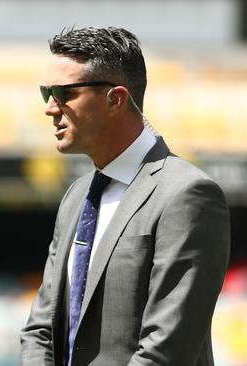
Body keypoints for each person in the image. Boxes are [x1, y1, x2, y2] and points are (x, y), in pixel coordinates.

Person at [20, 27, 230, 366]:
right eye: (47, 93)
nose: (50, 108)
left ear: (115, 99)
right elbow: (41, 329)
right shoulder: (76, 196)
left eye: (63, 93)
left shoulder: (186, 194)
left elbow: (167, 349)